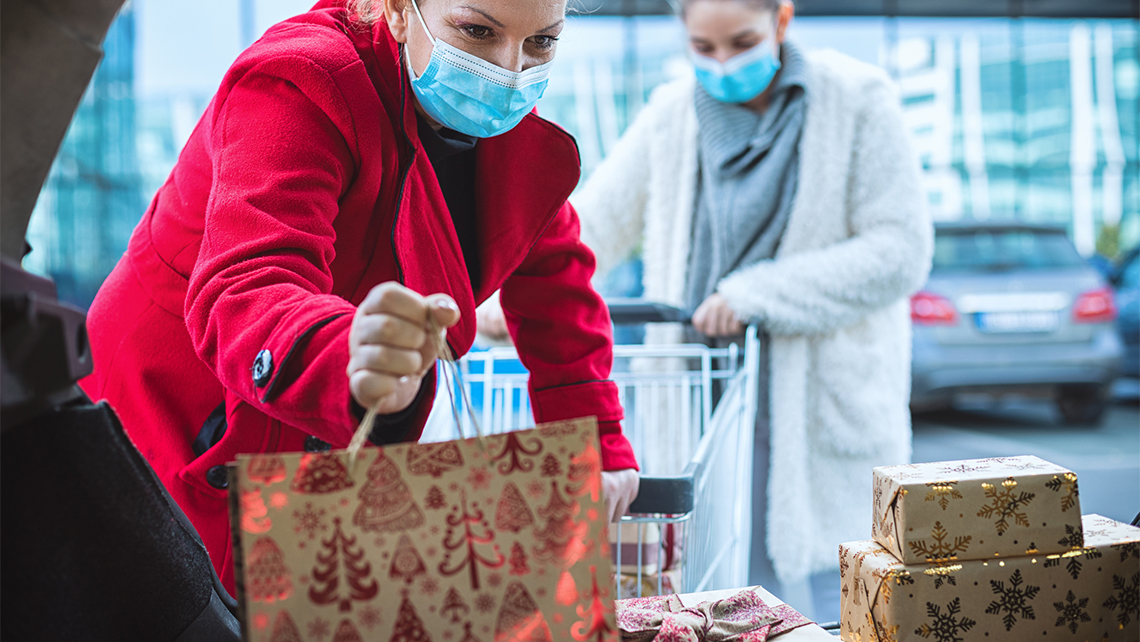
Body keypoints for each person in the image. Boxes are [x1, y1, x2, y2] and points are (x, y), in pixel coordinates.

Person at [79, 0, 640, 595]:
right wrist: (349, 352)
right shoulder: (299, 81)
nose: (509, 71)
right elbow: (249, 285)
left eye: (542, 44)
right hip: (174, 426)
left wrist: (597, 440)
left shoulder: (501, 127)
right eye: (477, 32)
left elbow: (557, 285)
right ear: (399, 11)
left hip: (323, 454)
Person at [480, 0, 933, 611]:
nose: (722, 62)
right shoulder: (673, 111)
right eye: (704, 47)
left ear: (782, 20)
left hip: (817, 402)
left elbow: (900, 249)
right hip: (702, 393)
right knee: (711, 587)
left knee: (836, 596)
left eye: (741, 42)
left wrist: (755, 294)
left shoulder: (857, 101)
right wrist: (506, 295)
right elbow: (595, 221)